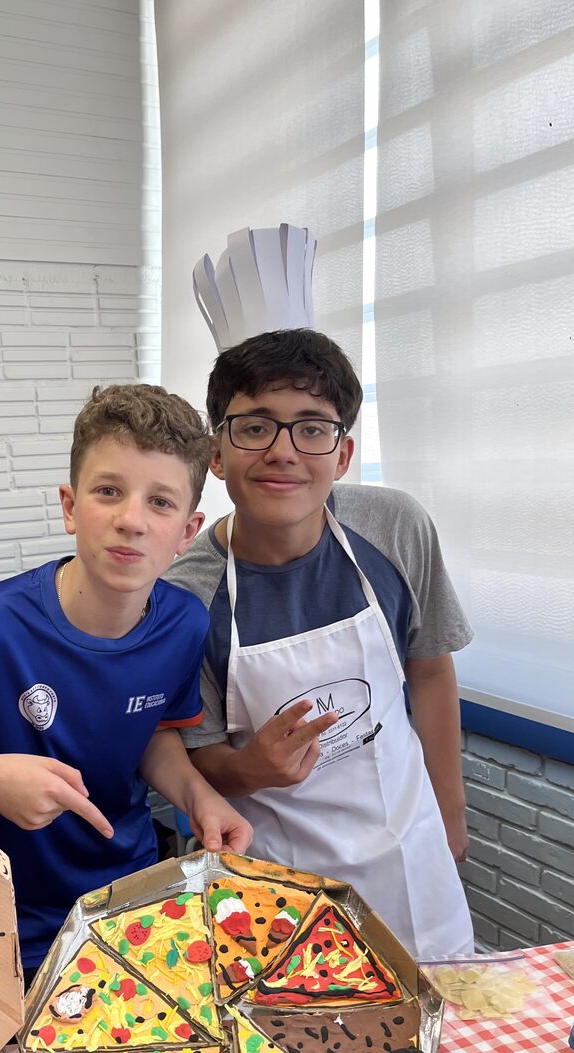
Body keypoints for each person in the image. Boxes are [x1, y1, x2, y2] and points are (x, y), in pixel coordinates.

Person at [0, 384, 253, 982]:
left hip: (133, 907)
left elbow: (153, 731)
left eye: (160, 503)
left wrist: (198, 796)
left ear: (188, 532)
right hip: (5, 927)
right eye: (108, 491)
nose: (131, 520)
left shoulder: (184, 623)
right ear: (70, 506)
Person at [165, 328, 475, 958]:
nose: (283, 452)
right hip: (276, 885)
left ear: (343, 454)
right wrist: (250, 769)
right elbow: (196, 756)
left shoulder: (394, 528)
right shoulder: (185, 598)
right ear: (216, 453)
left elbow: (430, 671)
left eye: (312, 428)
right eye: (255, 427)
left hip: (413, 858)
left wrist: (450, 812)